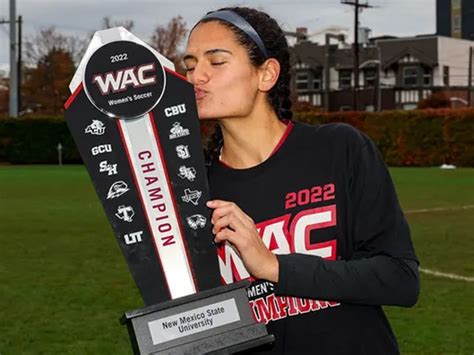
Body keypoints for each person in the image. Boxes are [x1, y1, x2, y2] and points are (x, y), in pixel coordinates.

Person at [184, 7, 419, 354]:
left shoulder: (339, 149)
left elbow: (400, 279)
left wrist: (273, 266)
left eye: (215, 62)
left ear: (266, 74)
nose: (195, 77)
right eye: (189, 66)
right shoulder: (195, 192)